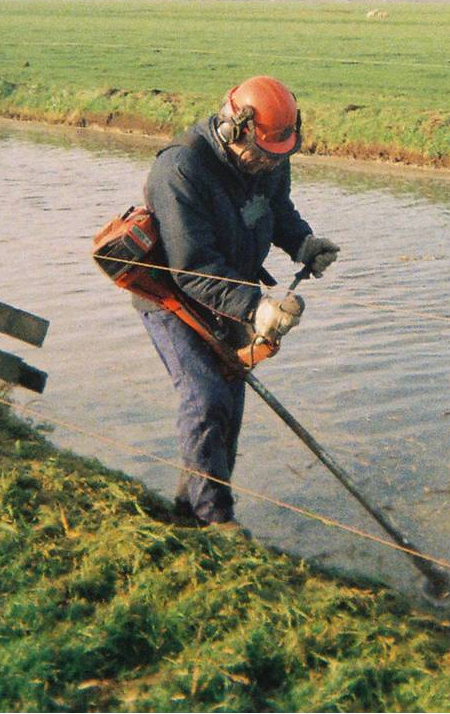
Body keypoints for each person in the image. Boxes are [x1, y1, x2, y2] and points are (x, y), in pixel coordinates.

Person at [135, 75, 339, 531]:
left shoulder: (270, 157)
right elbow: (192, 266)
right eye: (263, 154)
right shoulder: (181, 168)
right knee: (205, 398)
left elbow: (276, 207)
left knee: (227, 405)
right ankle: (217, 521)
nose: (270, 164)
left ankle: (191, 513)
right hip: (173, 295)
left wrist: (302, 242)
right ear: (234, 129)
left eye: (279, 156)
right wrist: (255, 307)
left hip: (232, 292)